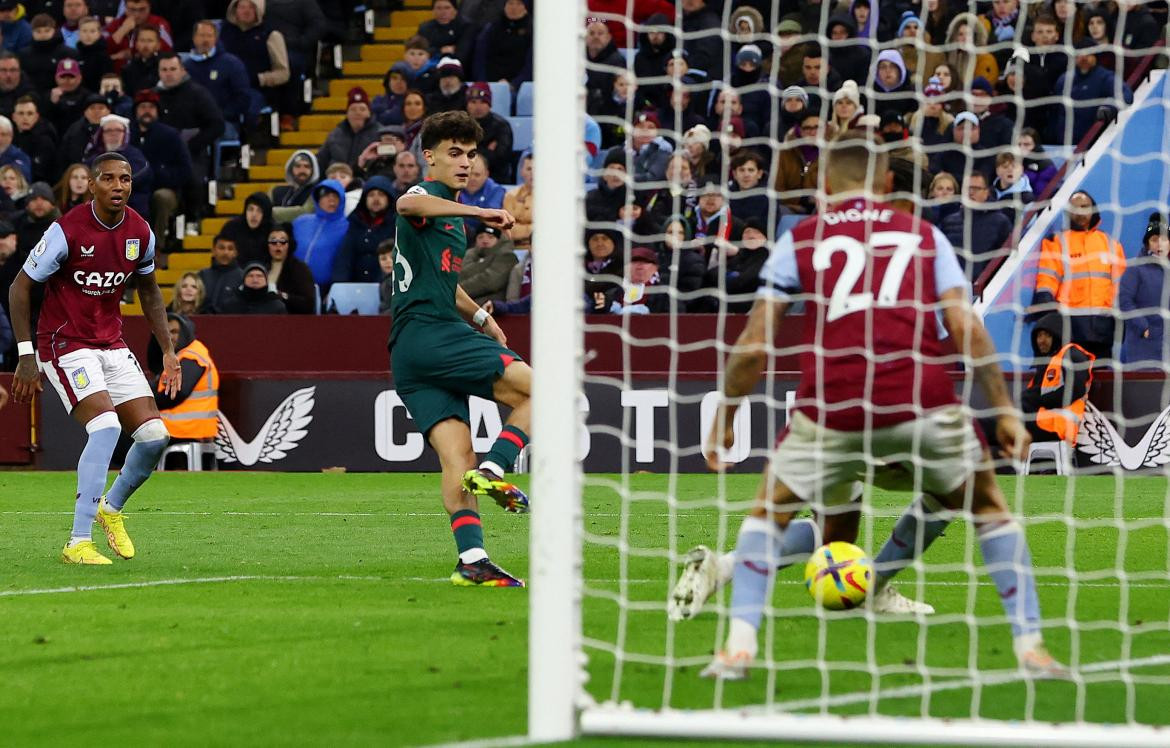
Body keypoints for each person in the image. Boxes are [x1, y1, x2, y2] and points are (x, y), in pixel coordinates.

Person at [671, 134, 1064, 679]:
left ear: (824, 186)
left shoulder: (802, 237)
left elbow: (755, 342)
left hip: (831, 405)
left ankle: (738, 648)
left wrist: (724, 421)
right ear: (886, 185)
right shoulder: (923, 236)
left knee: (769, 512)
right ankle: (1032, 648)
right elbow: (965, 329)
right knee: (987, 507)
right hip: (920, 399)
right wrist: (1002, 411)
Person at [8, 151, 177, 564]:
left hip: (111, 343)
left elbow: (150, 291)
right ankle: (77, 542)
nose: (118, 186)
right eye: (108, 179)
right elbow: (20, 287)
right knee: (104, 427)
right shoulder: (66, 231)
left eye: (125, 179)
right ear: (91, 185)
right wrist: (26, 354)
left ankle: (111, 508)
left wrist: (169, 350)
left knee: (155, 437)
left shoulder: (140, 231)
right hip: (64, 343)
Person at [390, 110, 533, 587]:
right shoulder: (428, 197)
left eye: (471, 154)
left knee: (457, 458)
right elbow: (407, 206)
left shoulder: (447, 212)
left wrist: (480, 316)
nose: (466, 163)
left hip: (411, 352)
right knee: (543, 391)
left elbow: (443, 283)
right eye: (454, 153)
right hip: (431, 336)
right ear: (428, 157)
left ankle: (472, 559)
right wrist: (481, 211)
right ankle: (498, 467)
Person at [1030, 190, 1126, 360]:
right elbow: (1047, 279)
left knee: (1103, 381)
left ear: (1093, 209)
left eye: (1085, 206)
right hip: (1069, 327)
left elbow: (1121, 286)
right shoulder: (1056, 242)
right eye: (1075, 208)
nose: (1080, 212)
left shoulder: (1111, 244)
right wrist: (1046, 306)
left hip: (1103, 328)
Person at [1019, 312, 1094, 449]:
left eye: (1047, 335)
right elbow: (1036, 393)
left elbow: (1075, 390)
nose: (1042, 340)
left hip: (1059, 425)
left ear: (1058, 335)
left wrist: (1037, 400)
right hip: (1044, 420)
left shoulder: (1072, 354)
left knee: (994, 425)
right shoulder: (1048, 361)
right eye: (1039, 335)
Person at [220, 0, 292, 131]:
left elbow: (283, 73)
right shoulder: (223, 33)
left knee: (245, 109)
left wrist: (261, 79)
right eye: (242, 7)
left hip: (256, 89)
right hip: (226, 88)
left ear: (258, 10)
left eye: (251, 8)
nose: (246, 11)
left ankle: (245, 141)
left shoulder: (271, 35)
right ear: (235, 9)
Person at [149, 312, 218, 444]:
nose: (169, 337)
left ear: (185, 332)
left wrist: (146, 406)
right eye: (165, 332)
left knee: (125, 440)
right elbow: (156, 386)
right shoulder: (177, 357)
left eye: (174, 332)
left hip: (187, 431)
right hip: (175, 429)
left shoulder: (193, 356)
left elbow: (177, 393)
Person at [1050, 37, 1133, 146]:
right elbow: (1055, 112)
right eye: (1080, 54)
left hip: (1093, 145)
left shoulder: (1105, 78)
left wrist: (1109, 108)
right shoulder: (1064, 80)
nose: (1083, 57)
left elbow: (1126, 94)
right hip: (1064, 145)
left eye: (1088, 54)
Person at [185, 20, 257, 134]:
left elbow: (243, 97)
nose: (205, 40)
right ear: (194, 38)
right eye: (202, 35)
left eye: (210, 36)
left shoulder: (231, 63)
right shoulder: (185, 66)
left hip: (224, 120)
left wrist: (221, 114)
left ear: (216, 39)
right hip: (191, 122)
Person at [941, 171, 1013, 283]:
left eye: (976, 189)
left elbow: (1007, 260)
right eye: (967, 189)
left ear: (986, 192)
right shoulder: (949, 221)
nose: (970, 193)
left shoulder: (1000, 222)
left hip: (984, 293)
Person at [1118, 213, 1169, 369]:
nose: (1159, 244)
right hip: (1142, 347)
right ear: (1147, 244)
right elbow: (1124, 301)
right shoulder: (1135, 268)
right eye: (1154, 240)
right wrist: (1144, 328)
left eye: (1164, 239)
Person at [332, 175, 394, 284]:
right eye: (371, 195)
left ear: (389, 198)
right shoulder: (354, 221)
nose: (376, 199)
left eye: (381, 195)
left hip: (387, 287)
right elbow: (345, 258)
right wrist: (339, 286)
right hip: (355, 288)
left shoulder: (396, 223)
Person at [291, 179, 348, 289]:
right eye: (326, 196)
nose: (331, 200)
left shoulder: (348, 226)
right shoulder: (300, 222)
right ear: (318, 199)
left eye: (335, 196)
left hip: (327, 288)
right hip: (294, 285)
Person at [318, 87, 379, 172]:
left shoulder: (379, 133)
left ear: (369, 113)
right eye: (353, 109)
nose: (357, 113)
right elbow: (321, 161)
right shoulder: (335, 135)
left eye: (362, 109)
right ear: (347, 114)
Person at [464, 82, 512, 184]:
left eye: (483, 102)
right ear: (467, 105)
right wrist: (488, 151)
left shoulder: (502, 126)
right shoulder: (461, 126)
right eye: (473, 102)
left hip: (496, 180)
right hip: (464, 177)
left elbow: (502, 158)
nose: (478, 106)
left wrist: (472, 152)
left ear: (489, 104)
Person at [458, 224, 517, 306]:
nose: (485, 240)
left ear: (498, 240)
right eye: (480, 237)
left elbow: (489, 282)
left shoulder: (506, 256)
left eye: (490, 237)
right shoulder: (468, 255)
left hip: (489, 307)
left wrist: (455, 292)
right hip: (463, 303)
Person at [104, 0, 173, 69]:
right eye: (132, 10)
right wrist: (122, 30)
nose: (137, 14)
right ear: (125, 8)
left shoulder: (159, 24)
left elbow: (167, 51)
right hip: (116, 76)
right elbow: (102, 50)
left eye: (142, 9)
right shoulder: (115, 24)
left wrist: (131, 53)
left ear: (149, 7)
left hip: (151, 71)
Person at [265, 223, 315, 314]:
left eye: (283, 241)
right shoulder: (261, 267)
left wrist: (282, 295)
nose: (278, 245)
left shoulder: (300, 269)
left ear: (289, 245)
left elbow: (308, 304)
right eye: (273, 242)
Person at [458, 153, 505, 240]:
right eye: (469, 174)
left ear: (486, 174)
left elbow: (490, 218)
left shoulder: (496, 190)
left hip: (485, 237)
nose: (472, 178)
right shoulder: (455, 187)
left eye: (477, 175)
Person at [12, 95, 57, 184]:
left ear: (36, 117)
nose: (25, 117)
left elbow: (41, 174)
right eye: (21, 113)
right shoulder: (8, 138)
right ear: (14, 117)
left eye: (30, 113)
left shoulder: (45, 141)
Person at [221, 191, 273, 266]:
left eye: (259, 211)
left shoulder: (272, 231)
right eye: (250, 209)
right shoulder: (231, 228)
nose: (254, 215)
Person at [417, 0, 474, 67]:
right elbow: (420, 51)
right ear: (433, 11)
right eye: (438, 8)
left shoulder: (466, 26)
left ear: (455, 11)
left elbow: (464, 51)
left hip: (461, 67)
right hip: (431, 67)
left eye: (447, 8)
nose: (443, 12)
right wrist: (440, 51)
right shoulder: (425, 28)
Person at [218, 261, 286, 314]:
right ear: (244, 280)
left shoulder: (277, 307)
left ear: (266, 280)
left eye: (259, 276)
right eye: (250, 276)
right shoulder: (230, 306)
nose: (255, 280)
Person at [198, 233, 243, 313]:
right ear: (213, 251)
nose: (226, 252)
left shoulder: (242, 277)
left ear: (235, 253)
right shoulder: (202, 275)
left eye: (230, 248)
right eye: (221, 248)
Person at [271, 149, 318, 216]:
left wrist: (271, 212)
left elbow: (305, 212)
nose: (302, 170)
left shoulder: (317, 191)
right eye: (298, 166)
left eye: (307, 166)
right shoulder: (278, 191)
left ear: (313, 170)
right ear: (291, 169)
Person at [119, 22, 161, 95]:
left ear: (158, 45)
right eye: (142, 40)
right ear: (136, 44)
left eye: (150, 41)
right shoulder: (127, 69)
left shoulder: (164, 67)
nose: (145, 45)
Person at [503, 152, 532, 249]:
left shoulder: (551, 199)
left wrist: (521, 230)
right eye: (529, 169)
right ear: (521, 171)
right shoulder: (510, 196)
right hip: (513, 249)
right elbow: (508, 230)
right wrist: (532, 230)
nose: (533, 173)